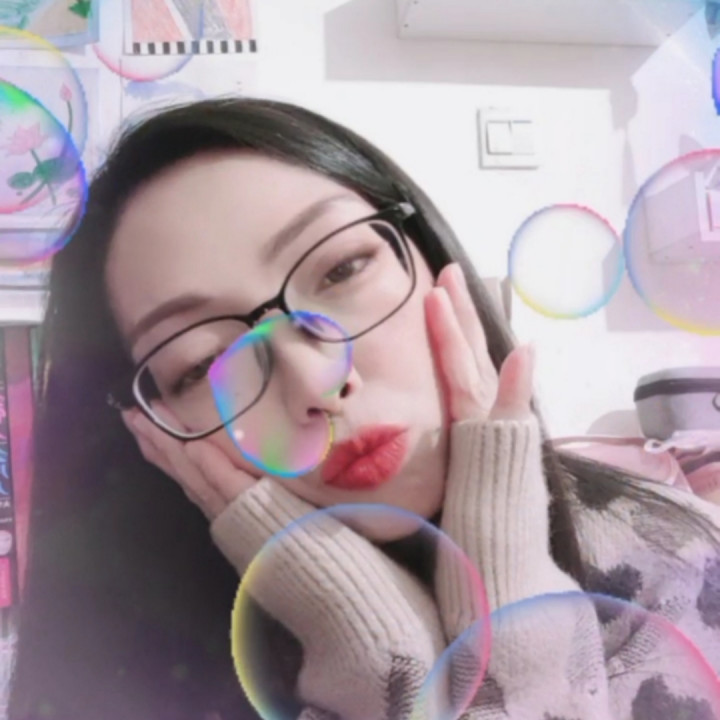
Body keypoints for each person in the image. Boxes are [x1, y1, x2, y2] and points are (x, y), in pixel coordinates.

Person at [8, 97, 720, 720]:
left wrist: (518, 632)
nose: (315, 383)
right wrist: (383, 671)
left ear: (428, 251)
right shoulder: (119, 685)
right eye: (200, 364)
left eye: (343, 269)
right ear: (146, 431)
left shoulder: (676, 562)